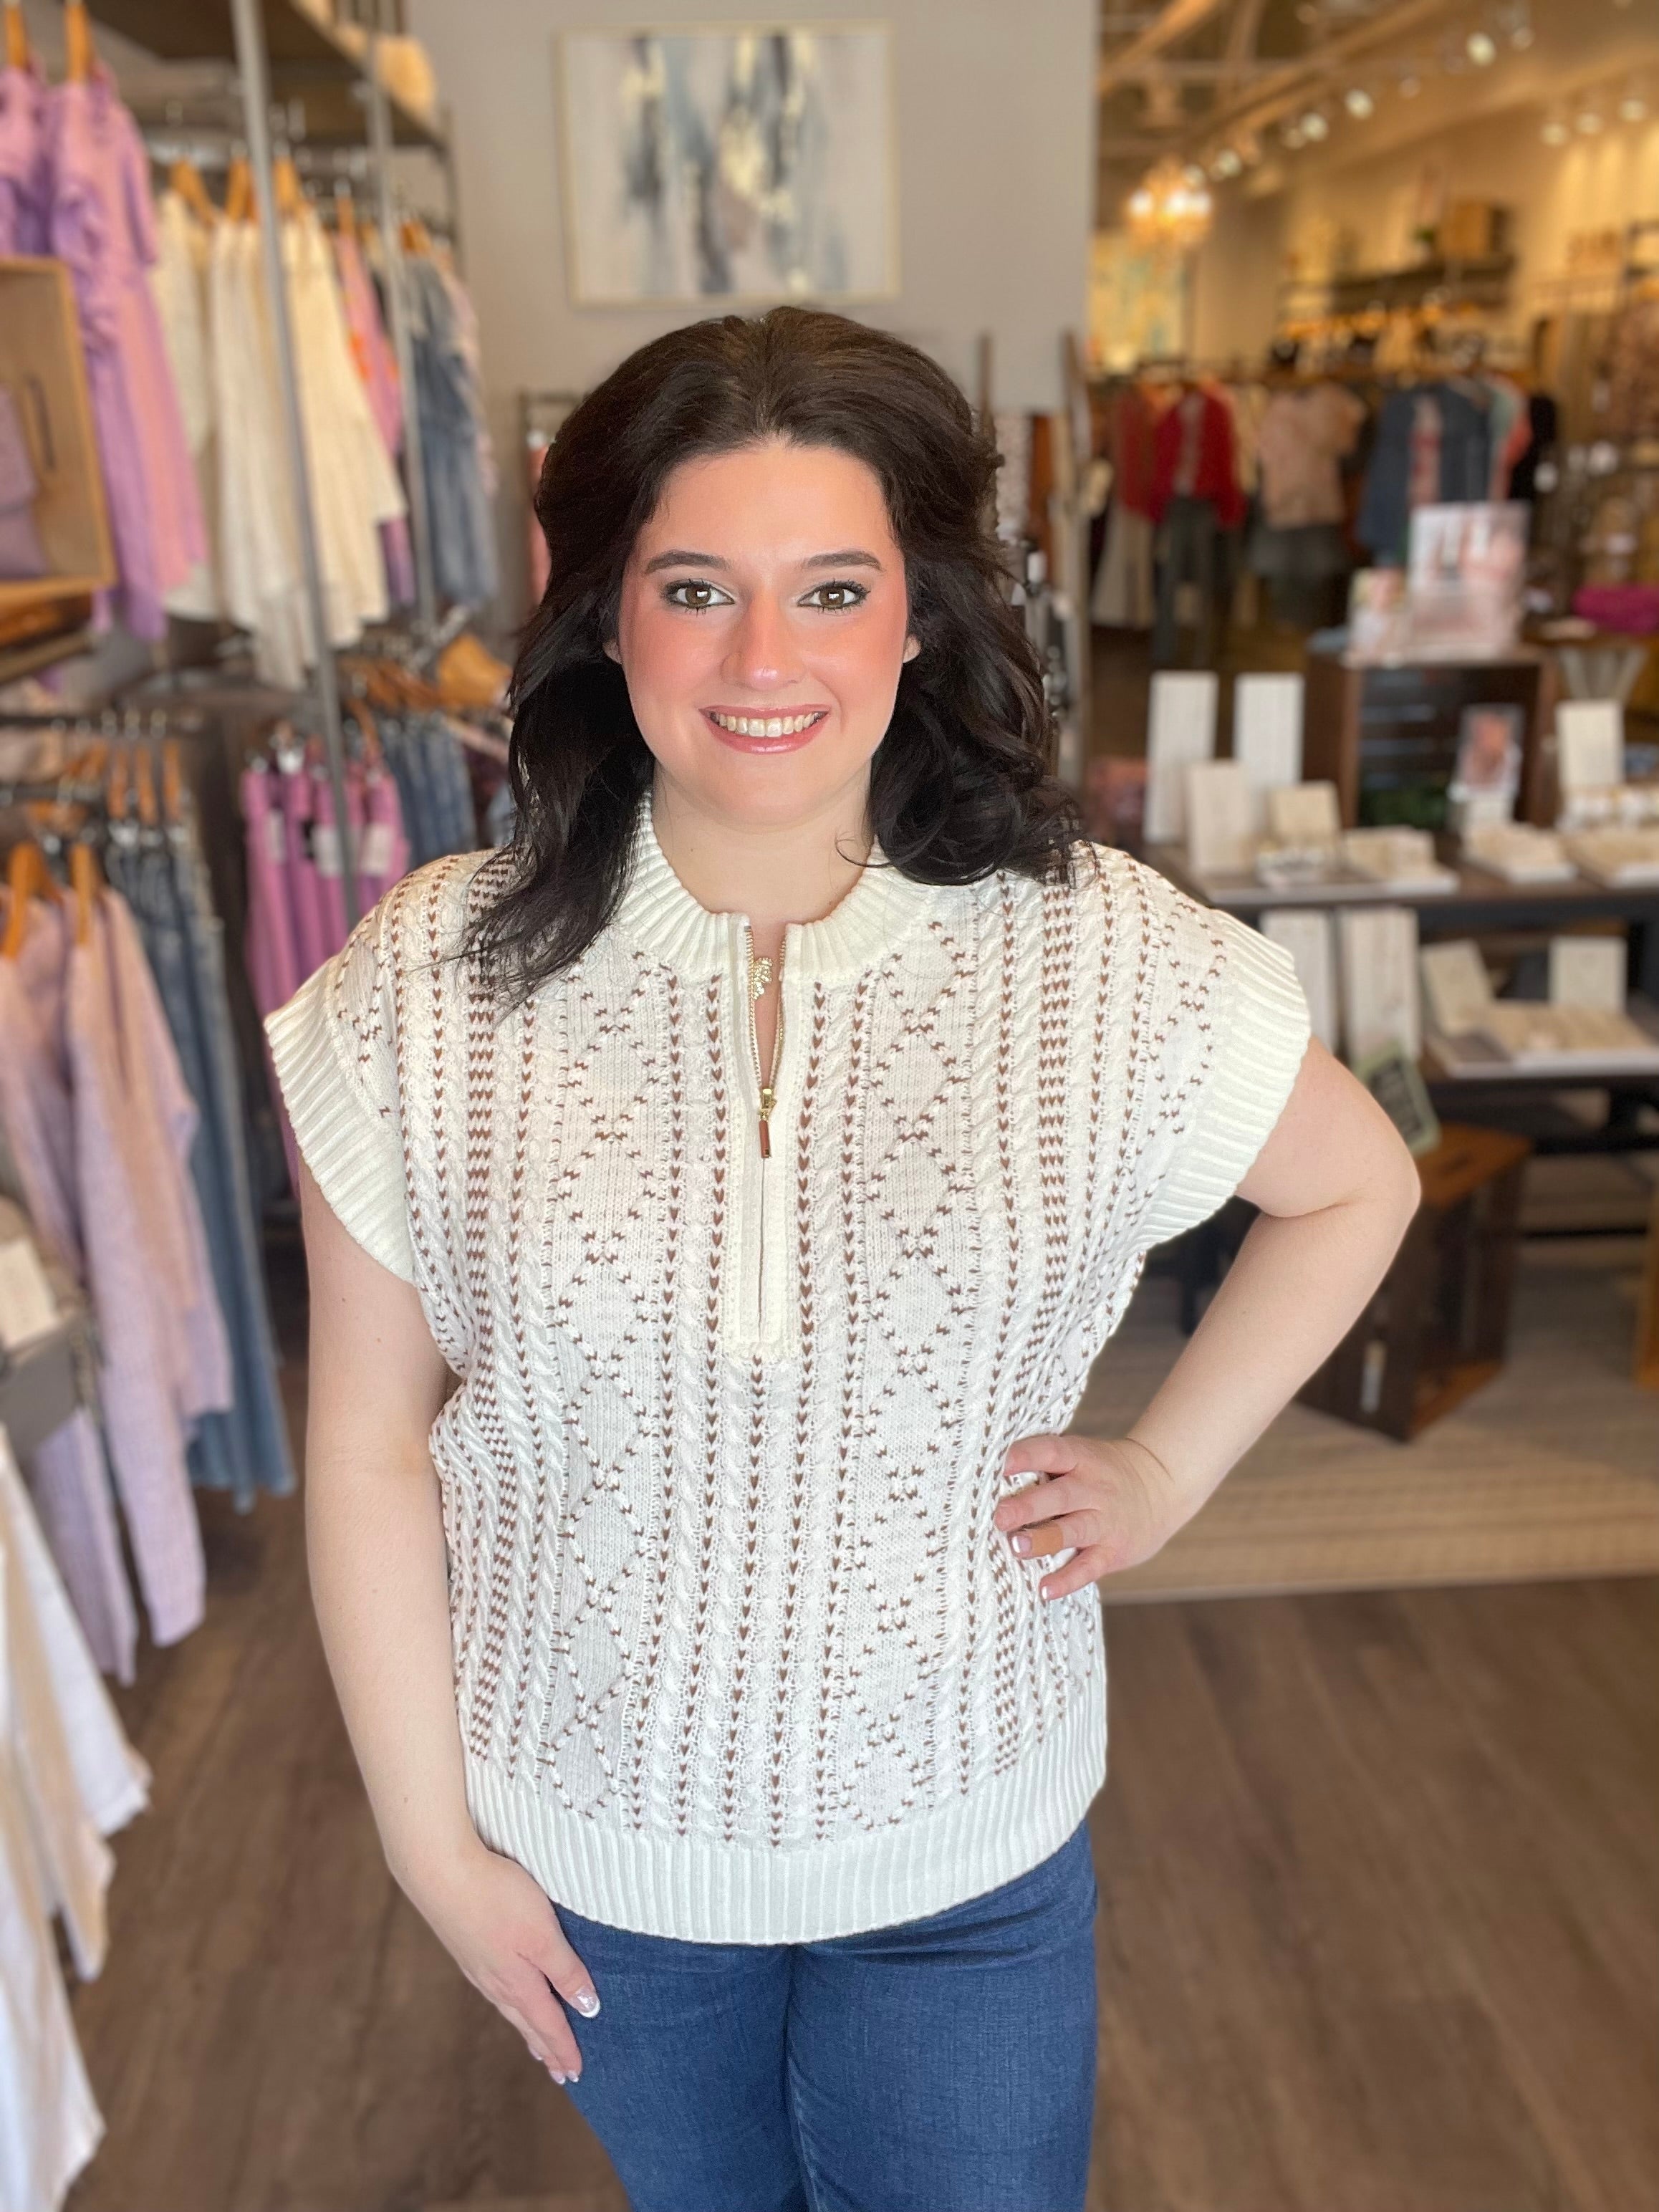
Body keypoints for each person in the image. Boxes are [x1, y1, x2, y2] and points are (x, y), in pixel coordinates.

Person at [266, 306, 1420, 2212]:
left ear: (918, 618)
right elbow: (374, 1440)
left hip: (964, 1850)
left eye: (830, 589)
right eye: (695, 589)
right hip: (591, 1858)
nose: (763, 660)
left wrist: (1162, 1468)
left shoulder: (1099, 956)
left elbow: (1356, 1184)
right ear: (605, 612)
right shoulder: (429, 980)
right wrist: (428, 1845)